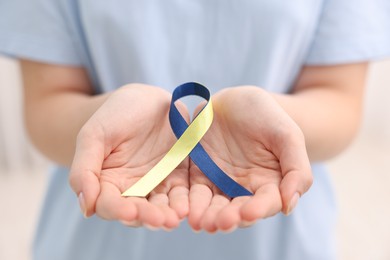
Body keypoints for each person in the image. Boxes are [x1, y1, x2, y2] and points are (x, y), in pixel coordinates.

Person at [1, 0, 389, 259]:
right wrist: (104, 120)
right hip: (98, 239)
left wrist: (277, 124)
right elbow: (45, 105)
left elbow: (339, 100)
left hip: (279, 242)